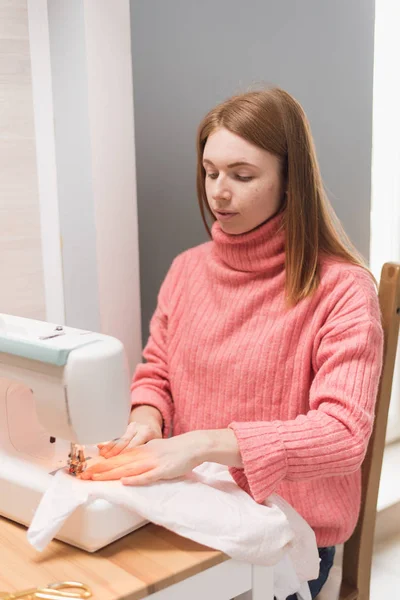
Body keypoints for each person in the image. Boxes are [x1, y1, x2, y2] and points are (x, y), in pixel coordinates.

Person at [81, 87, 384, 599]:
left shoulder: (342, 290)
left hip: (290, 533)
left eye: (242, 176)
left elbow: (342, 433)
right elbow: (157, 371)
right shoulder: (187, 270)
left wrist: (205, 443)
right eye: (210, 171)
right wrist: (146, 419)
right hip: (194, 508)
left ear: (291, 182)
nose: (219, 192)